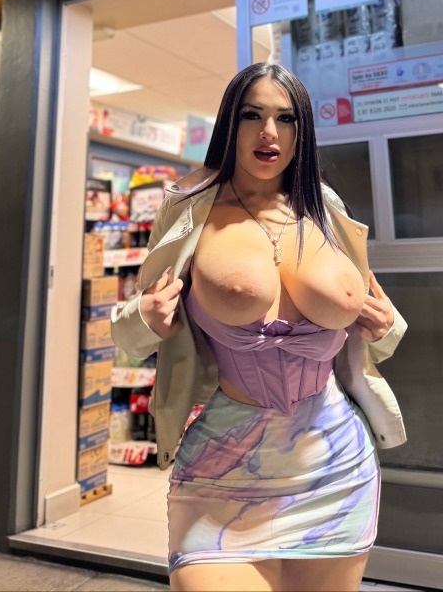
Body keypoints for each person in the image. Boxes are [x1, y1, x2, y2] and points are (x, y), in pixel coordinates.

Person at [111, 62, 406, 592]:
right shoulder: (189, 210)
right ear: (230, 123)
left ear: (301, 131)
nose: (269, 132)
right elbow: (135, 324)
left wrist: (384, 327)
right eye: (253, 115)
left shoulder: (325, 208)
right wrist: (146, 319)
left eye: (285, 118)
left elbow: (373, 315)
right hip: (223, 468)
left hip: (334, 463)